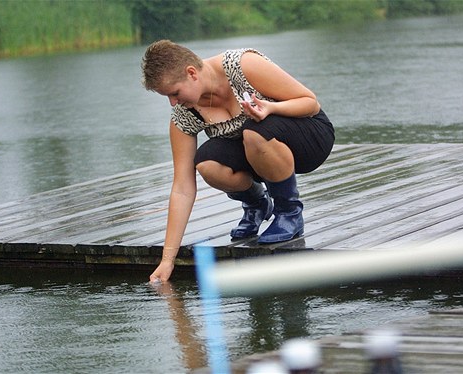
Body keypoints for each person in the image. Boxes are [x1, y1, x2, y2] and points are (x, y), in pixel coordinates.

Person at [142, 40, 334, 282]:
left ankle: (289, 213)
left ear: (191, 73)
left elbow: (310, 103)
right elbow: (182, 188)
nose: (172, 102)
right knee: (206, 163)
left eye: (174, 93)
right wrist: (167, 260)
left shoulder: (241, 65)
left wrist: (270, 110)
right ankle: (257, 204)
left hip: (311, 137)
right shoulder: (184, 114)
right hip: (257, 151)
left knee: (254, 131)